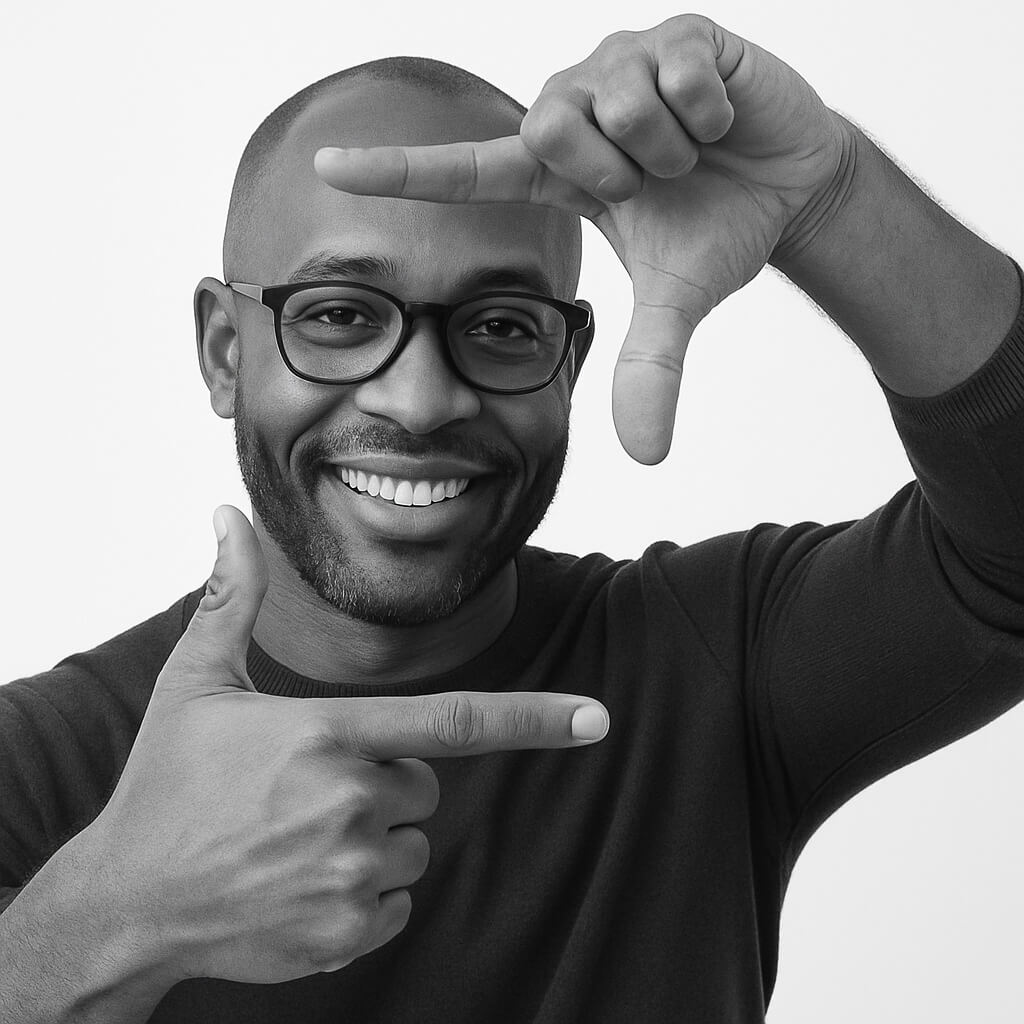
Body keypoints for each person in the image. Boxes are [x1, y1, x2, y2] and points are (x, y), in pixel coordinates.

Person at [1, 11, 1022, 1023]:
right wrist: (107, 924)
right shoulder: (34, 767)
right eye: (340, 316)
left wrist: (831, 198)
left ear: (567, 365)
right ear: (226, 351)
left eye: (500, 326)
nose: (418, 402)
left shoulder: (710, 667)